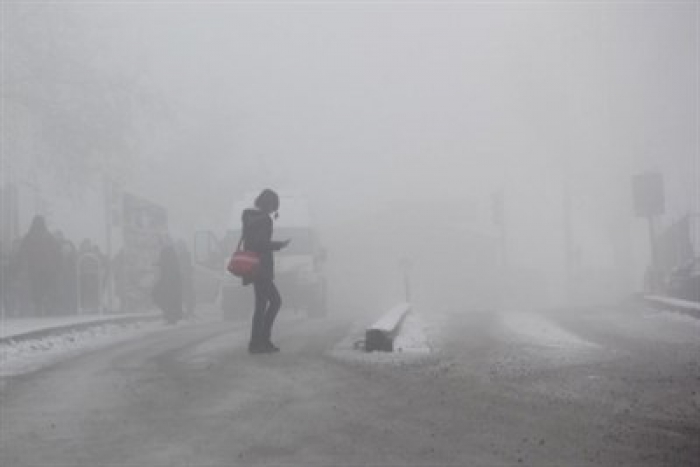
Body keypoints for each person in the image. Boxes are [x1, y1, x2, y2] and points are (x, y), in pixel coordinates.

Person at [241, 189, 290, 354]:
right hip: (262, 267)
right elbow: (261, 244)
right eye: (274, 205)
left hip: (254, 267)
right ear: (270, 204)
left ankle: (259, 342)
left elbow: (251, 243)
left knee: (263, 304)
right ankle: (260, 341)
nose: (275, 209)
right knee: (273, 302)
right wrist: (279, 245)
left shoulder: (249, 217)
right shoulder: (264, 221)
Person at [18, 216, 60, 316]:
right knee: (45, 288)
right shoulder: (48, 236)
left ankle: (39, 307)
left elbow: (22, 252)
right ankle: (46, 305)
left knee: (36, 288)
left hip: (34, 268)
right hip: (47, 268)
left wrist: (24, 266)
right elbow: (56, 251)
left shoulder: (29, 236)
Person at [152, 236, 183, 324]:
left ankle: (170, 316)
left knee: (161, 296)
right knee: (168, 298)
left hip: (169, 280)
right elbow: (170, 264)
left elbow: (169, 265)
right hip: (170, 279)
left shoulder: (167, 251)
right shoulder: (169, 251)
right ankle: (170, 316)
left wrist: (159, 264)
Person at [175, 239, 195, 318]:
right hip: (184, 278)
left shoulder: (184, 255)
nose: (178, 248)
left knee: (187, 294)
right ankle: (188, 311)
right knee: (186, 294)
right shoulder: (184, 255)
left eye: (179, 246)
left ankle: (189, 311)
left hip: (185, 278)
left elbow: (184, 267)